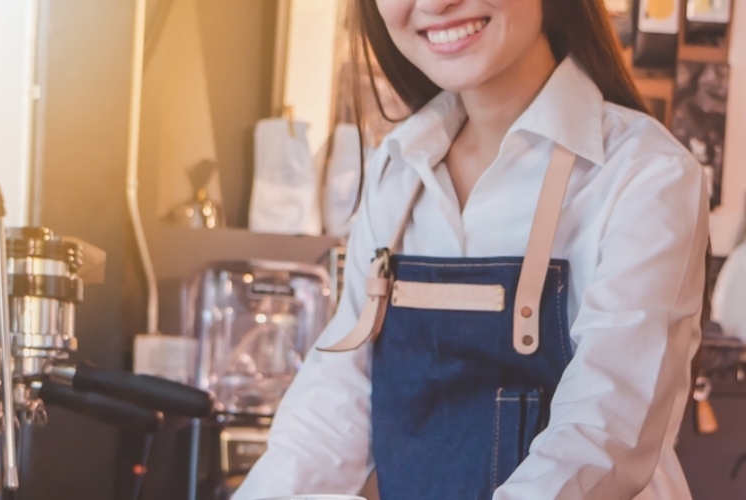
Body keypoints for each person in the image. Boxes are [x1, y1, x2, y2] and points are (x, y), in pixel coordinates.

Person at [234, 0, 709, 498]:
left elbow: (604, 432)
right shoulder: (396, 170)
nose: (436, 3)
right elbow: (336, 402)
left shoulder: (645, 174)